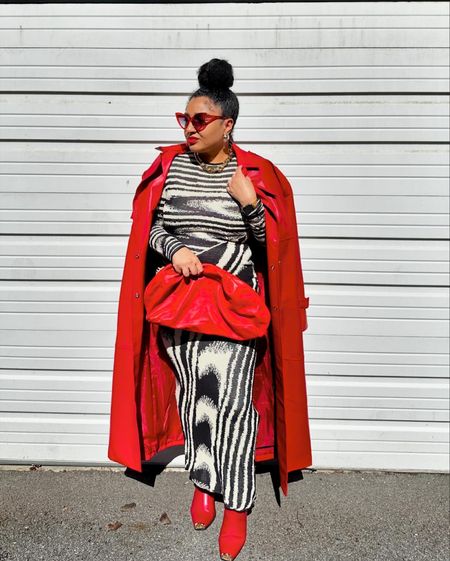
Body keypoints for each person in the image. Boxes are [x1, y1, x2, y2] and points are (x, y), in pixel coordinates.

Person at [147, 58, 264, 561]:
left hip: (232, 304)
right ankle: (203, 481)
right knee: (195, 398)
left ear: (227, 125)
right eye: (184, 119)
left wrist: (251, 206)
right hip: (181, 303)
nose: (188, 129)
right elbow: (149, 231)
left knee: (233, 403)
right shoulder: (169, 167)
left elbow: (270, 247)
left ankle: (235, 503)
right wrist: (174, 250)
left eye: (199, 120)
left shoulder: (251, 173)